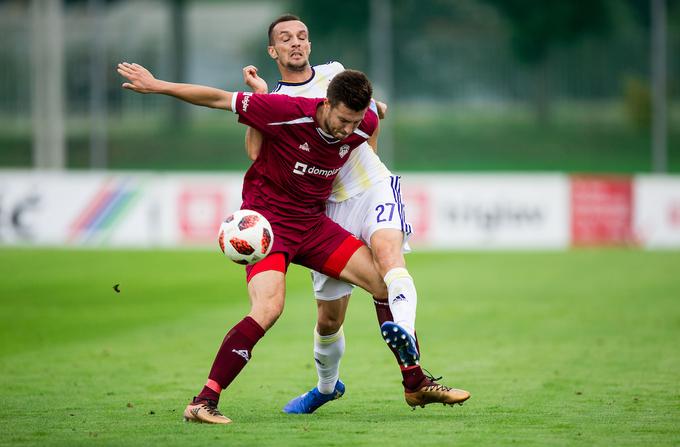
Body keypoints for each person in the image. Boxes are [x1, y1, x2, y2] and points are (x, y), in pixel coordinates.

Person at [117, 61, 413, 424]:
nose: (348, 129)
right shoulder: (282, 110)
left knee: (384, 283)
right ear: (325, 103)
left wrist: (373, 115)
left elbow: (372, 123)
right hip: (268, 228)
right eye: (343, 120)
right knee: (269, 309)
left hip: (314, 225)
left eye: (355, 121)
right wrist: (157, 85)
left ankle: (413, 380)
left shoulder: (360, 122)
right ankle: (203, 400)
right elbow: (217, 99)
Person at [241, 14, 470, 414]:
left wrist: (369, 152)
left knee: (389, 261)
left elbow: (372, 112)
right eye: (286, 39)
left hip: (371, 188)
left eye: (302, 36)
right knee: (329, 319)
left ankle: (413, 373)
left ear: (310, 44)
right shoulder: (276, 99)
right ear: (272, 51)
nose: (296, 43)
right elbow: (256, 156)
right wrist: (258, 94)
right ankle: (326, 387)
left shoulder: (335, 74)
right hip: (327, 208)